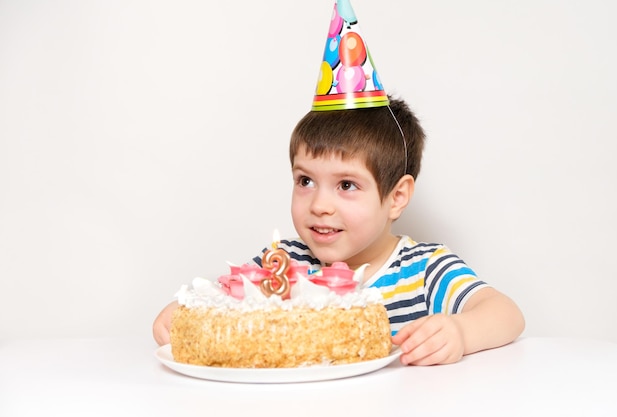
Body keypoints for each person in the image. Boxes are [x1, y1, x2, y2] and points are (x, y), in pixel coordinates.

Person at [152, 96, 525, 366]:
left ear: (396, 197)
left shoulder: (424, 269)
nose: (319, 205)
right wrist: (183, 315)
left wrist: (459, 333)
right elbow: (222, 301)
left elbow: (506, 314)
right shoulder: (283, 266)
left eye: (346, 185)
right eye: (305, 181)